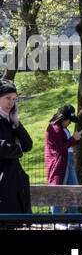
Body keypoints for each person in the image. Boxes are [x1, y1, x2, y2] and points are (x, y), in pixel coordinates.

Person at [0, 79, 32, 216]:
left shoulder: (10, 119)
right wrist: (17, 150)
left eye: (13, 99)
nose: (11, 103)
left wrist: (16, 123)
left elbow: (28, 145)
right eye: (7, 98)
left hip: (15, 186)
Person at [45, 104, 82, 218]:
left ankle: (74, 220)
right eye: (69, 120)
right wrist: (73, 139)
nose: (70, 122)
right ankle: (56, 221)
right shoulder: (53, 129)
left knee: (74, 190)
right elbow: (61, 147)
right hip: (59, 164)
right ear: (63, 118)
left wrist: (76, 139)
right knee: (57, 190)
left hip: (68, 162)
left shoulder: (63, 128)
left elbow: (67, 145)